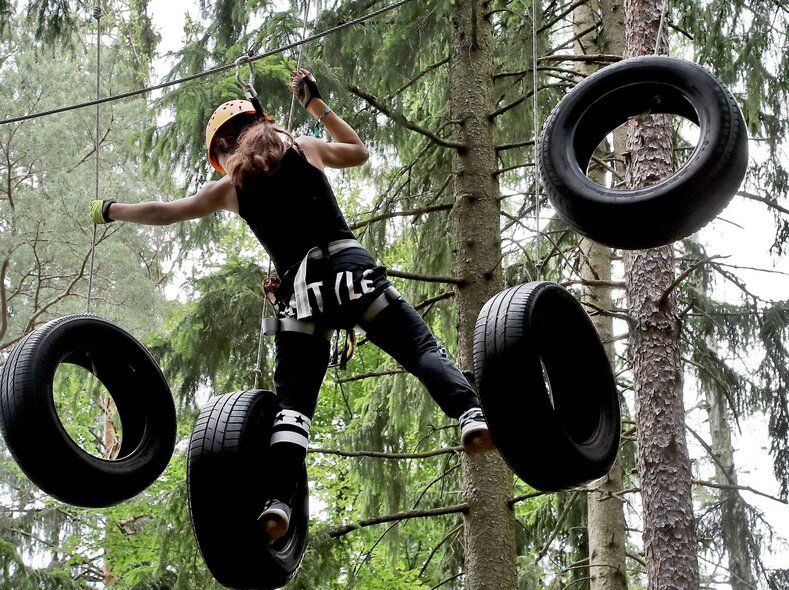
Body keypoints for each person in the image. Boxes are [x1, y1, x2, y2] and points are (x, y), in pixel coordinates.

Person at [89, 68, 490, 543]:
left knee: (293, 409)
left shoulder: (228, 189)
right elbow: (359, 151)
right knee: (417, 346)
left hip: (301, 296)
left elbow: (165, 212)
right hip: (350, 272)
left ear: (222, 152)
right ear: (262, 122)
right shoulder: (306, 147)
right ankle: (470, 415)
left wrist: (111, 209)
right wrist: (316, 104)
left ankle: (279, 502)